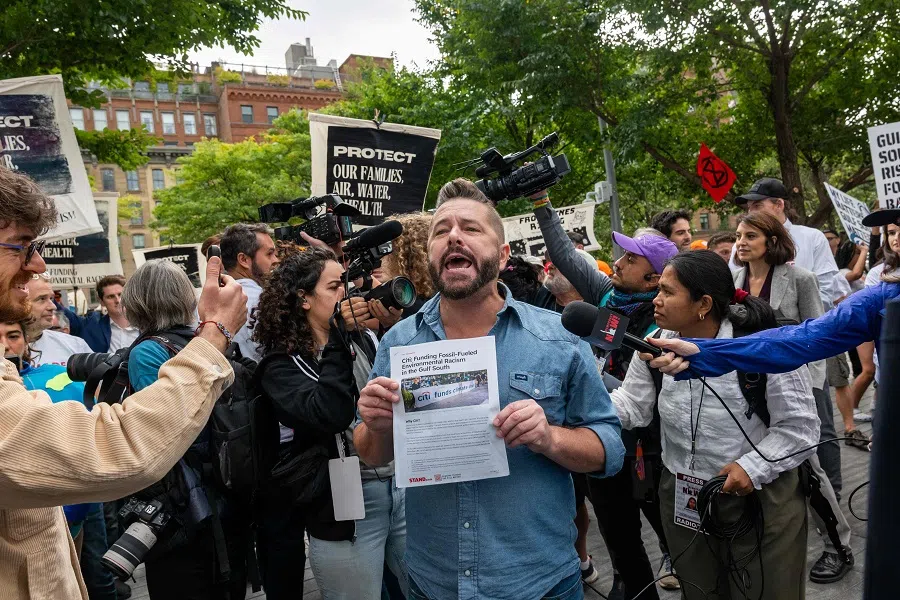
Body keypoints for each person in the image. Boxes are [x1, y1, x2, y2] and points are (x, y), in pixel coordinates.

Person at [355, 178, 625, 600]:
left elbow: (610, 450)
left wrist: (549, 437)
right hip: (434, 582)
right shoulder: (400, 342)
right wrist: (375, 425)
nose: (453, 237)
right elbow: (371, 453)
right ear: (429, 257)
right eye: (441, 231)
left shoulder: (556, 337)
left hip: (540, 583)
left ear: (501, 257)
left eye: (470, 228)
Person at [0, 165, 248, 598]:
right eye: (21, 245)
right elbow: (117, 448)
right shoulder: (157, 349)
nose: (37, 264)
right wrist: (215, 335)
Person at [611, 250, 819, 600]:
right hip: (683, 496)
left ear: (703, 303)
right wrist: (578, 408)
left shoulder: (762, 344)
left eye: (667, 291)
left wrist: (749, 468)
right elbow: (632, 405)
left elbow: (800, 428)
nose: (655, 300)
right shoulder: (655, 341)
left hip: (760, 497)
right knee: (700, 591)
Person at [533, 194, 680, 596]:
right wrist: (542, 202)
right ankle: (632, 586)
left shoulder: (670, 318)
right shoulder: (605, 294)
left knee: (672, 536)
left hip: (653, 450)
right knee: (618, 535)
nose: (617, 262)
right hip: (605, 440)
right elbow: (564, 253)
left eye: (631, 260)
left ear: (655, 281)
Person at [251, 247, 407, 600]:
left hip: (401, 487)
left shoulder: (365, 339)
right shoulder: (279, 367)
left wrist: (396, 327)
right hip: (346, 504)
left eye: (349, 284)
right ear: (304, 299)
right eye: (336, 286)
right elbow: (330, 413)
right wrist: (338, 336)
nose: (346, 294)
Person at [732, 212, 856, 582]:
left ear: (771, 241)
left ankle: (838, 546)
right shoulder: (731, 280)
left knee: (808, 470)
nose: (741, 242)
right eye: (739, 235)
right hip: (746, 391)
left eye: (750, 235)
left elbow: (819, 335)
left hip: (795, 388)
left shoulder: (799, 278)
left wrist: (812, 387)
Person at [119, 260, 250, 599]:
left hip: (185, 506)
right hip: (226, 490)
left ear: (136, 303)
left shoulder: (148, 352)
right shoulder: (203, 342)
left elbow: (163, 427)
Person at [731, 178, 838, 310]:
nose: (751, 212)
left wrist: (792, 315)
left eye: (757, 206)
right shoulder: (739, 246)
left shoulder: (813, 238)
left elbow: (825, 293)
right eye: (749, 207)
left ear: (779, 205)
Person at [221, 222, 281, 361]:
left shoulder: (206, 303)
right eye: (269, 254)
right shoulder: (265, 299)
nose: (275, 260)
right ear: (243, 260)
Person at [26, 274, 92, 367]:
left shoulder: (75, 345)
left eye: (51, 298)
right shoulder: (5, 351)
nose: (53, 306)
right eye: (41, 299)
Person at [60, 275, 139, 352]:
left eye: (120, 294)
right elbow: (63, 313)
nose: (118, 300)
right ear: (101, 301)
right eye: (110, 296)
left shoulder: (145, 326)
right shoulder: (91, 325)